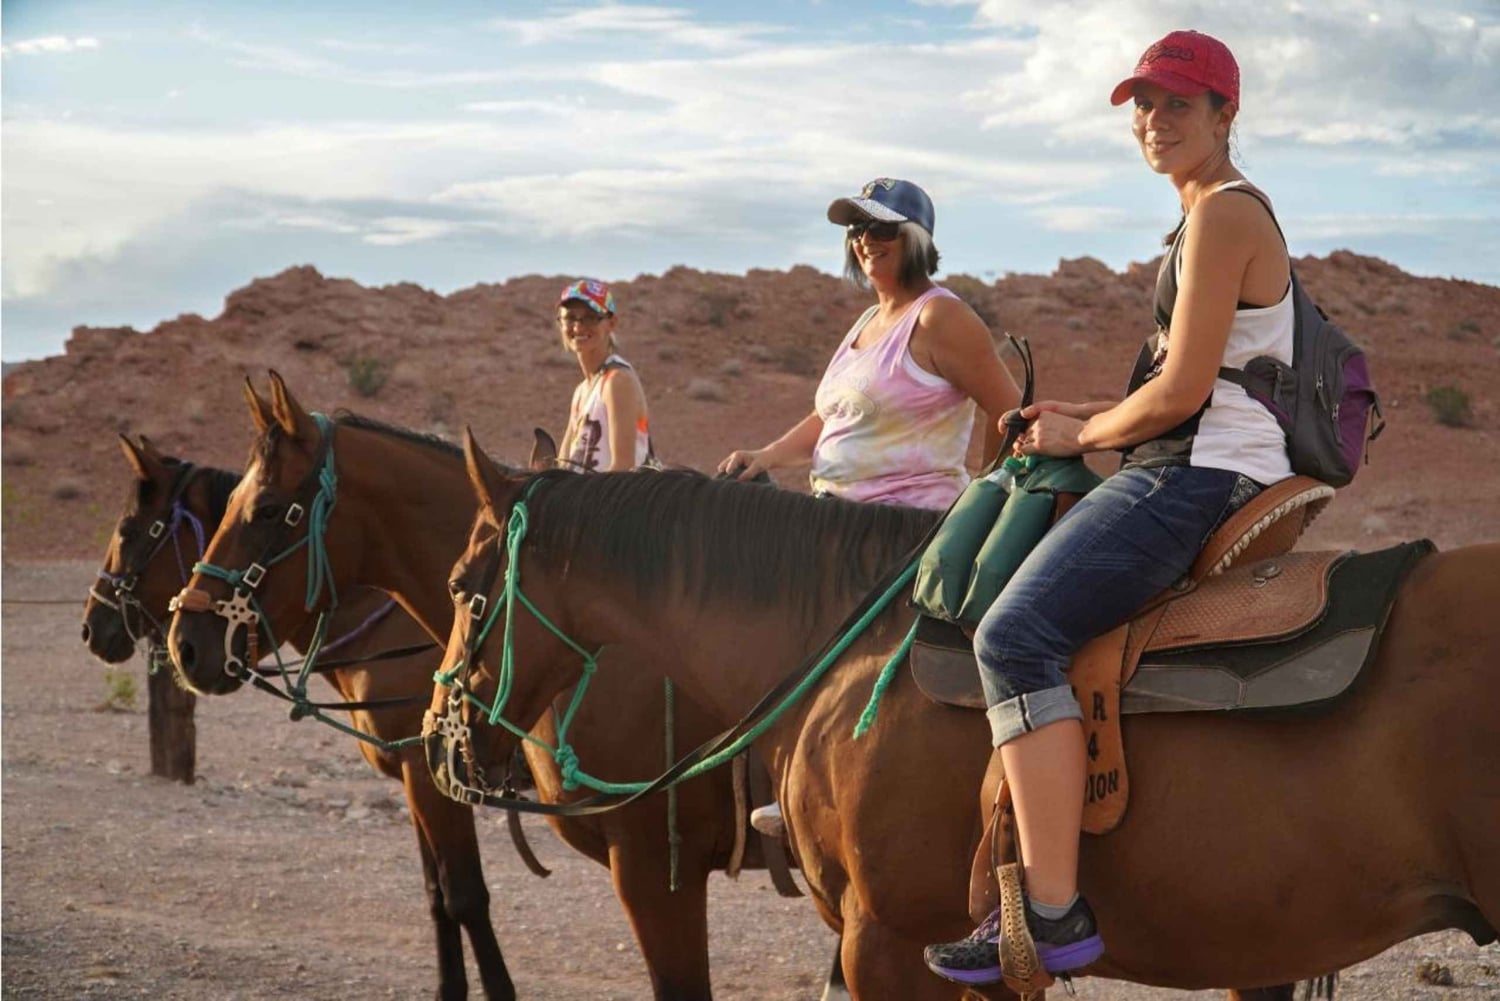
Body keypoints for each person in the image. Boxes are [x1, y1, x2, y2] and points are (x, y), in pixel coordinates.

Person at [924, 29, 1291, 986]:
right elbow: (1180, 381)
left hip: (1199, 476)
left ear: (1225, 114)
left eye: (1179, 104)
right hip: (1187, 453)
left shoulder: (1225, 217)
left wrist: (1076, 438)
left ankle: (1052, 912)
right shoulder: (1199, 219)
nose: (1155, 121)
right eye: (1145, 104)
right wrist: (1079, 411)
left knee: (1013, 636)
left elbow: (1178, 404)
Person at [718, 177, 1020, 510]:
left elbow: (1009, 410)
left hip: (906, 528)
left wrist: (984, 496)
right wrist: (768, 456)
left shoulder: (940, 316)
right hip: (842, 520)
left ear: (916, 238)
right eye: (856, 229)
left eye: (881, 228)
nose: (865, 239)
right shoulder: (870, 320)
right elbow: (834, 415)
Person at [554, 279, 655, 472]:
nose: (578, 326)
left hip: (617, 499)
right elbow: (563, 465)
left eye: (590, 317)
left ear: (611, 323)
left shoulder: (617, 380)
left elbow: (623, 467)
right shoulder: (582, 391)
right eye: (570, 318)